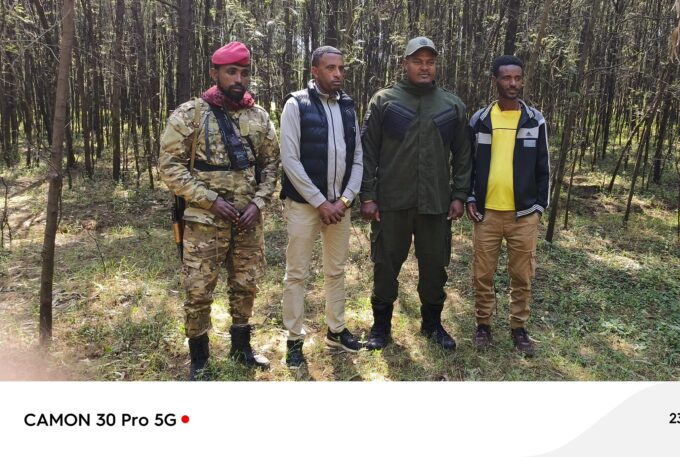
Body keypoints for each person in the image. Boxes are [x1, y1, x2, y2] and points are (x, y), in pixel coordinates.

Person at [159, 42, 280, 380]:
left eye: (243, 72)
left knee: (246, 285)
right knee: (198, 289)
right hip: (203, 222)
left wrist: (258, 203)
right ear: (215, 73)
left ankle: (242, 347)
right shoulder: (190, 114)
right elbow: (170, 167)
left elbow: (272, 165)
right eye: (231, 72)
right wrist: (209, 199)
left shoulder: (258, 116)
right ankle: (199, 357)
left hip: (248, 221)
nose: (238, 78)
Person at [360, 36, 472, 351]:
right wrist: (367, 195)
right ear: (405, 63)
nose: (424, 67)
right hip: (391, 203)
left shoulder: (451, 104)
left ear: (436, 65)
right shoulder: (384, 101)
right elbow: (367, 152)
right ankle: (380, 327)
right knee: (384, 265)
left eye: (430, 62)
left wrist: (459, 195)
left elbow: (464, 154)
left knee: (435, 267)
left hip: (436, 204)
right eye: (418, 61)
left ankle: (432, 325)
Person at [279, 46, 363, 368]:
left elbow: (357, 157)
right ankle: (294, 339)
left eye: (341, 68)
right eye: (330, 68)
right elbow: (290, 160)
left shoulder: (348, 107)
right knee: (297, 273)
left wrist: (343, 200)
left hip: (339, 207)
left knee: (336, 270)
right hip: (304, 206)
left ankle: (336, 330)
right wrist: (320, 202)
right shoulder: (295, 104)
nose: (338, 74)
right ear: (315, 71)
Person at [466, 56, 549, 357]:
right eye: (506, 78)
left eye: (517, 78)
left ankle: (519, 328)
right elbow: (468, 165)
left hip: (523, 215)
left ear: (522, 80)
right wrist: (470, 197)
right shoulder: (480, 120)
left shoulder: (534, 120)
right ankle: (483, 325)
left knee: (522, 275)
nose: (513, 83)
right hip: (486, 214)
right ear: (495, 81)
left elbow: (544, 167)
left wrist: (539, 206)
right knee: (482, 273)